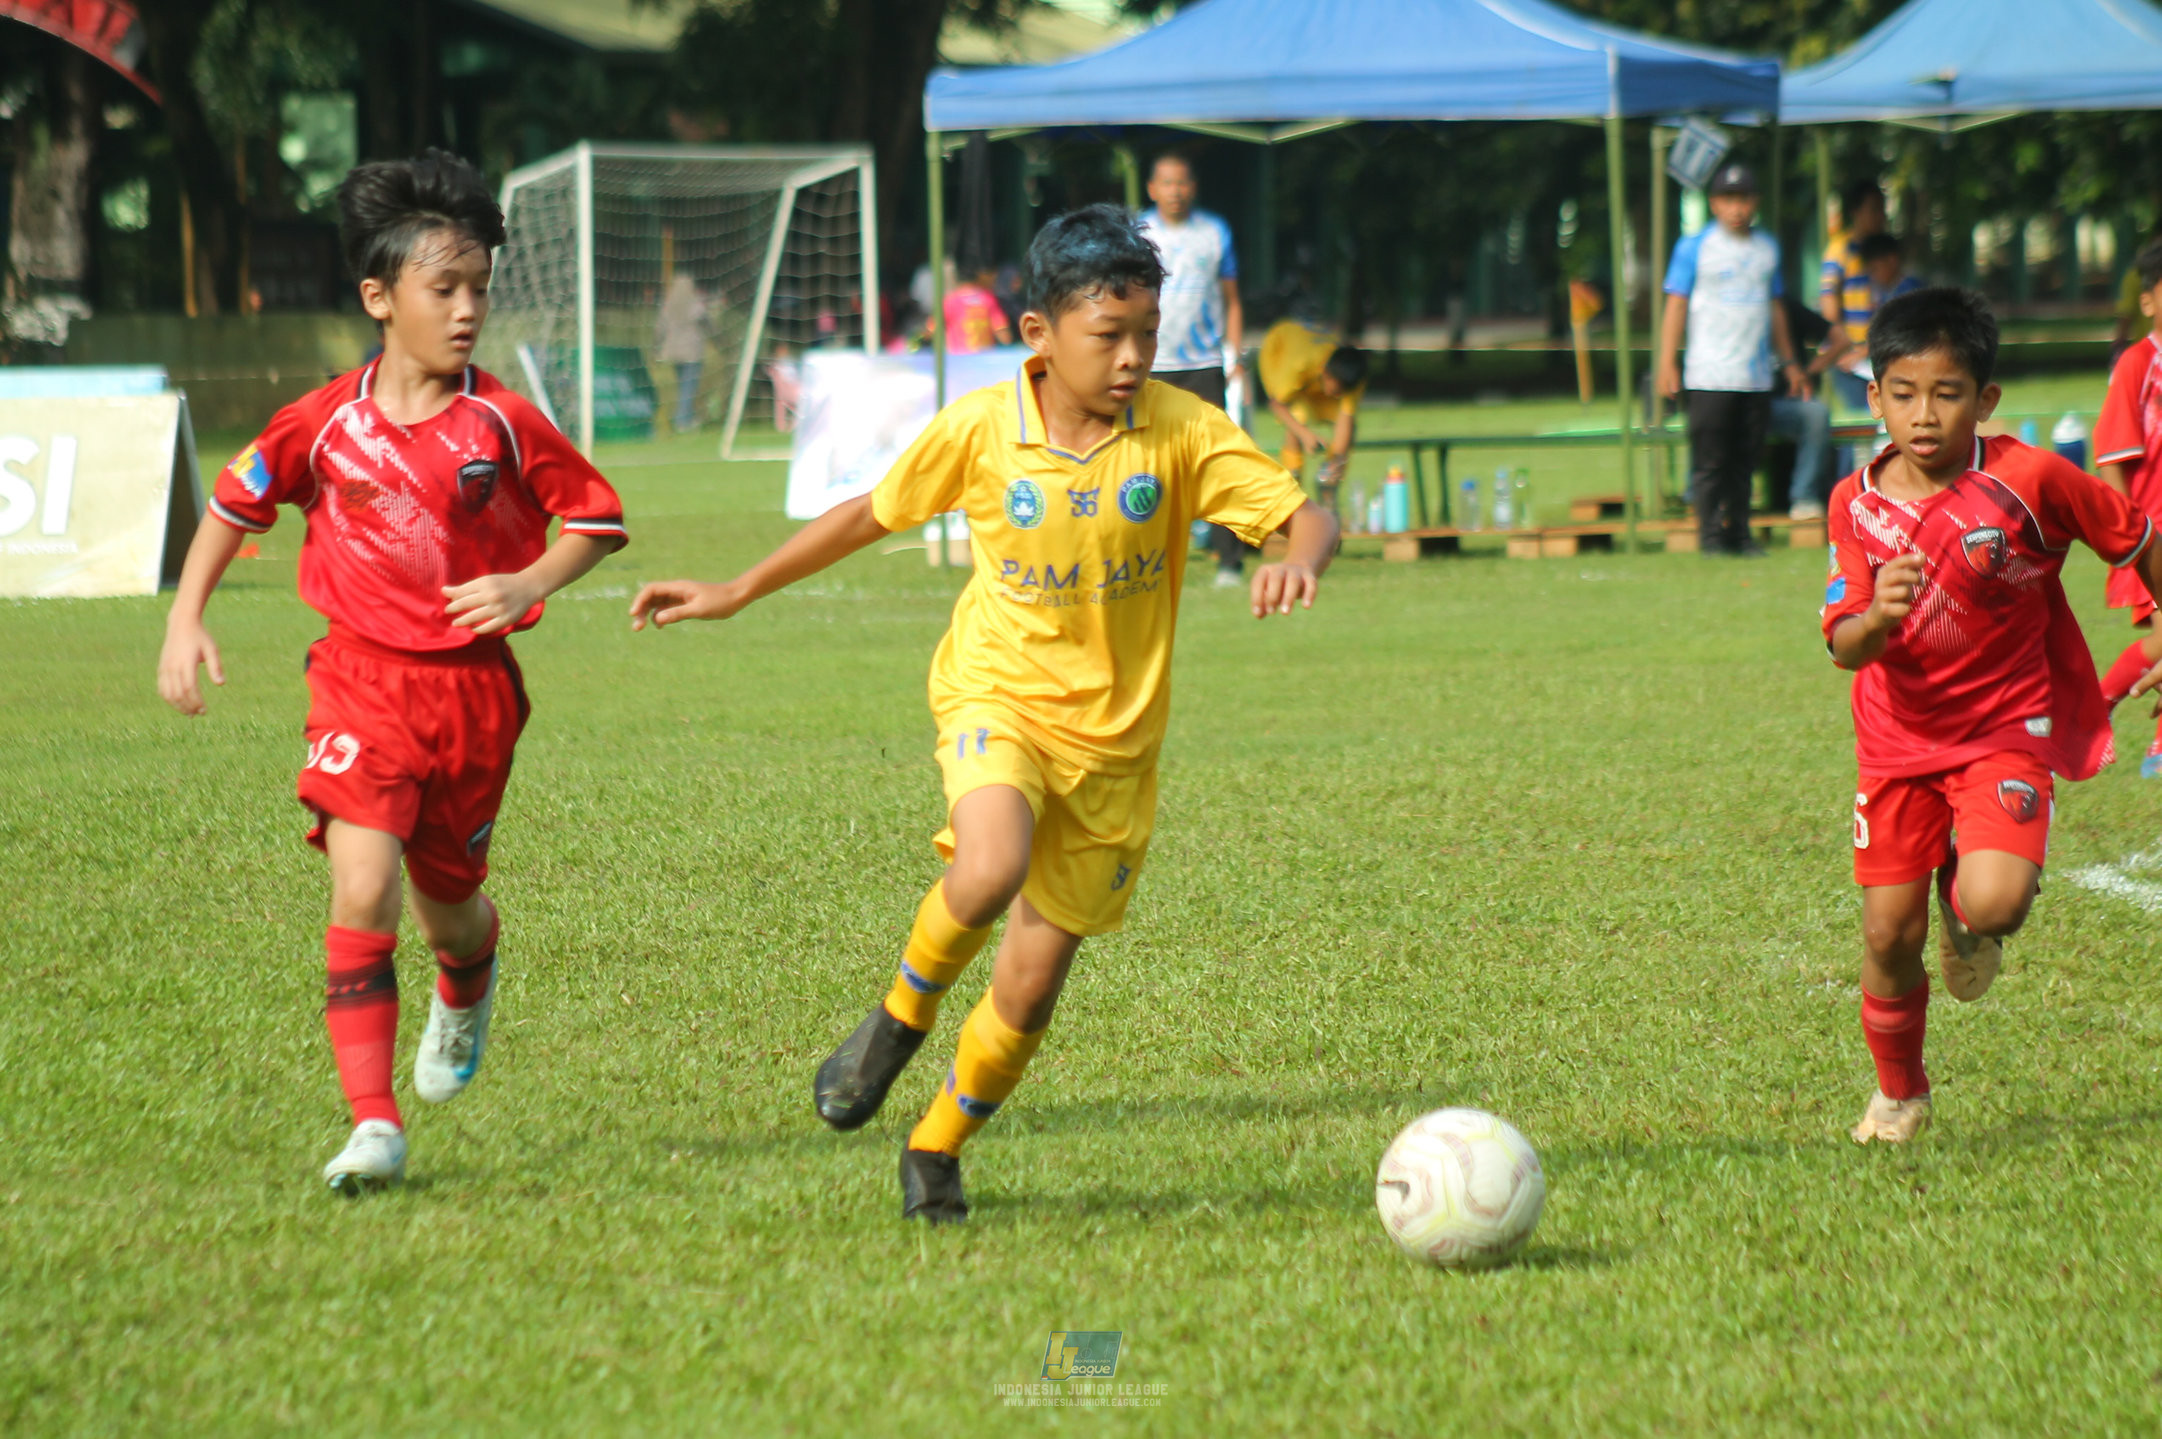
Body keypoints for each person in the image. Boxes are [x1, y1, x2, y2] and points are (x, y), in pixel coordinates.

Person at [627, 204, 1337, 1223]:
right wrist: (738, 588)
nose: (1134, 356)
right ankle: (894, 1021)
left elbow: (1308, 515)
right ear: (1037, 335)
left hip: (1116, 749)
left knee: (1030, 987)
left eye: (1146, 331)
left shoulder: (1180, 432)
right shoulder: (981, 428)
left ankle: (935, 1145)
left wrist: (1296, 560)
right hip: (994, 693)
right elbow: (870, 511)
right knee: (989, 860)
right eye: (1110, 336)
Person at [155, 150, 630, 1194]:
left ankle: (466, 980)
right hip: (360, 681)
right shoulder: (323, 418)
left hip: (473, 696)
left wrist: (523, 582)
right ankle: (373, 1122)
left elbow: (597, 517)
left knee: (445, 902)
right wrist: (185, 620)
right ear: (379, 297)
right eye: (442, 288)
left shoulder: (501, 419)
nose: (466, 311)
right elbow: (233, 506)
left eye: (478, 291)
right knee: (361, 881)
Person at [1820, 287, 2162, 1146]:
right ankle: (1901, 1093)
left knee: (1998, 901)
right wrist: (1878, 620)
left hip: (2006, 730)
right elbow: (1843, 644)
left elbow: (2134, 536)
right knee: (1887, 933)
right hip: (1895, 744)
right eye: (1902, 393)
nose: (1923, 415)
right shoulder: (1854, 504)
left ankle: (1970, 896)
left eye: (1947, 393)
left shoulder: (2033, 478)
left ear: (1986, 399)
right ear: (1875, 397)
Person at [1656, 162, 1807, 556]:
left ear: (1755, 202)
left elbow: (1776, 310)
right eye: (1728, 199)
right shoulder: (1694, 247)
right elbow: (1676, 305)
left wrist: (1790, 363)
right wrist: (1666, 362)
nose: (1736, 208)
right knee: (1710, 461)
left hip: (1754, 374)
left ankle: (1739, 533)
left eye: (1743, 199)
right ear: (1713, 204)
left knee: (1746, 460)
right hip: (1708, 373)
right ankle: (1709, 536)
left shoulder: (1767, 248)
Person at [1136, 152, 1250, 587]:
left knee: (1213, 461)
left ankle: (1229, 561)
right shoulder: (1138, 232)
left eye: (1182, 182)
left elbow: (1232, 299)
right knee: (1145, 465)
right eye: (1166, 183)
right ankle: (1147, 559)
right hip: (1151, 364)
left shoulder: (1213, 232)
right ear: (1152, 189)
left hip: (1202, 363)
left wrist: (1235, 356)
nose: (1175, 191)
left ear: (1193, 187)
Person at [2092, 236, 2162, 777]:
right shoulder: (2139, 364)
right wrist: (2123, 532)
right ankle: (2095, 708)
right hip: (2152, 532)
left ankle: (2159, 746)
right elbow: (2111, 454)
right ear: (2148, 300)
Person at [1257, 317, 1368, 520]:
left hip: (1314, 376)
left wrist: (1336, 462)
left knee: (1351, 427)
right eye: (1337, 390)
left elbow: (1346, 417)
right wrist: (1305, 434)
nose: (1339, 395)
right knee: (1298, 415)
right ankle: (1293, 484)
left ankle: (1328, 484)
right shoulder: (1299, 363)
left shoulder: (1352, 376)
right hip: (1278, 352)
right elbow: (1276, 404)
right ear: (1327, 375)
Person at [1820, 179, 1888, 413]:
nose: (1881, 216)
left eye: (1882, 208)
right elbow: (1829, 300)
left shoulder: (1884, 250)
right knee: (1859, 422)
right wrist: (1843, 346)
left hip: (1876, 351)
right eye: (1874, 209)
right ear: (1856, 212)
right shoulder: (1840, 249)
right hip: (1848, 357)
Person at [655, 274, 710, 433]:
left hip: (673, 352)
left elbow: (660, 328)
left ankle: (686, 417)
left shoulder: (668, 304)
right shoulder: (694, 303)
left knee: (683, 386)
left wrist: (656, 347)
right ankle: (682, 420)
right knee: (688, 387)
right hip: (691, 351)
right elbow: (705, 321)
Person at [929, 258, 1015, 354]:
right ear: (978, 277)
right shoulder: (988, 298)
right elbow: (1004, 334)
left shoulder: (950, 301)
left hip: (958, 361)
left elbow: (933, 328)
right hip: (985, 360)